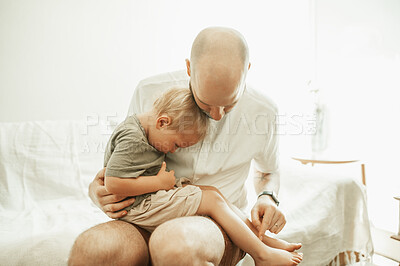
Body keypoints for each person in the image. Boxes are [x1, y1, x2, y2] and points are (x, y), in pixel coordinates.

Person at [69, 26, 297, 266]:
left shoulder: (264, 111)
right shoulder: (149, 92)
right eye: (206, 104)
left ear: (247, 71)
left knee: (173, 246)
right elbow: (123, 161)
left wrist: (267, 197)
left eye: (229, 105)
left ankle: (259, 248)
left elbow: (268, 170)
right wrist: (97, 192)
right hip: (145, 213)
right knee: (93, 252)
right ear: (189, 69)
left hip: (217, 224)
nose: (218, 116)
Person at [101, 87, 303, 266]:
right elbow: (113, 183)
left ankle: (262, 240)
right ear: (162, 122)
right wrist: (157, 182)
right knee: (211, 200)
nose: (172, 152)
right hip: (139, 205)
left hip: (148, 197)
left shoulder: (146, 128)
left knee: (213, 193)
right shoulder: (132, 138)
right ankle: (261, 255)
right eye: (177, 144)